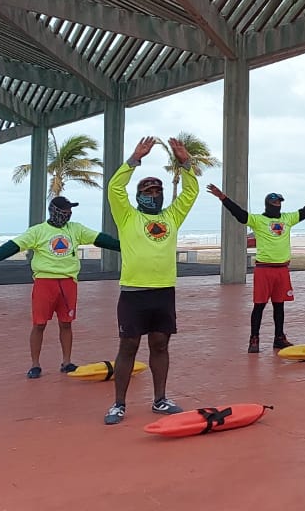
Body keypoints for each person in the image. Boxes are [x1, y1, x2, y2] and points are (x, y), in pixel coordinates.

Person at [103, 136, 200, 425]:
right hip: (134, 293)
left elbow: (190, 193)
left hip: (163, 291)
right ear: (139, 195)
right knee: (128, 346)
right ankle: (119, 403)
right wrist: (134, 159)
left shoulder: (172, 217)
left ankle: (160, 400)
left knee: (160, 345)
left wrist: (186, 162)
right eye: (148, 189)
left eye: (157, 189)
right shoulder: (127, 217)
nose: (154, 193)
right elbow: (114, 188)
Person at [0, 196, 120, 378]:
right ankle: (35, 364)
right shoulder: (38, 231)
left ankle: (67, 362)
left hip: (68, 282)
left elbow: (101, 239)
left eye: (70, 212)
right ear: (54, 212)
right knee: (39, 325)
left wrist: (124, 246)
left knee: (66, 323)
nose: (68, 215)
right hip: (44, 283)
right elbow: (13, 246)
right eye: (64, 212)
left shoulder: (76, 229)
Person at [207, 184, 305, 352]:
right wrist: (223, 197)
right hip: (264, 269)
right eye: (275, 203)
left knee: (279, 306)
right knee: (259, 306)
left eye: (280, 203)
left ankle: (279, 338)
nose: (278, 205)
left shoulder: (288, 218)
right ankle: (254, 338)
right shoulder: (258, 220)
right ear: (268, 204)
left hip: (282, 270)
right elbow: (239, 214)